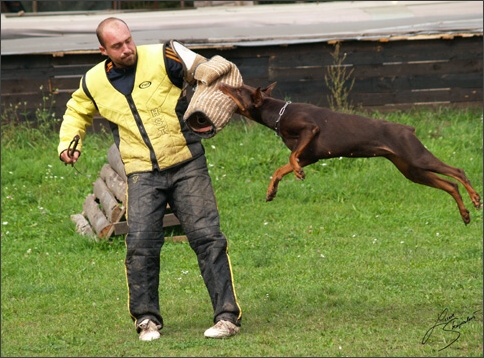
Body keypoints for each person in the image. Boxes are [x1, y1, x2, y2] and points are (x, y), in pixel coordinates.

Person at [57, 17, 242, 341]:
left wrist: (202, 70)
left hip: (187, 163)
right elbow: (77, 110)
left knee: (207, 237)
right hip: (142, 172)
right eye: (118, 45)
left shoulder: (163, 56)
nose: (127, 48)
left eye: (128, 40)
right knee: (141, 244)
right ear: (103, 50)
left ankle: (227, 317)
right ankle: (147, 319)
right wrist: (68, 143)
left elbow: (198, 67)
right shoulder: (94, 81)